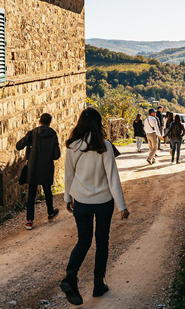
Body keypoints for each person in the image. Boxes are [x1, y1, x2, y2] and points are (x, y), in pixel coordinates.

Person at [61, 107, 129, 306]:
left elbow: (69, 175)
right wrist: (121, 206)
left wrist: (67, 198)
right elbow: (112, 177)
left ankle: (70, 279)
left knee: (83, 241)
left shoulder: (72, 146)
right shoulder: (105, 145)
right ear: (98, 123)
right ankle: (98, 284)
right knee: (102, 241)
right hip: (103, 203)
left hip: (81, 202)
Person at [16, 113, 61, 230]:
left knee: (31, 194)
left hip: (33, 168)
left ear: (39, 121)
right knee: (47, 192)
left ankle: (29, 221)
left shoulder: (33, 133)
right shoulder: (53, 134)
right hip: (46, 167)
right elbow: (57, 155)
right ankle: (50, 214)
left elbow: (18, 146)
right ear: (50, 122)